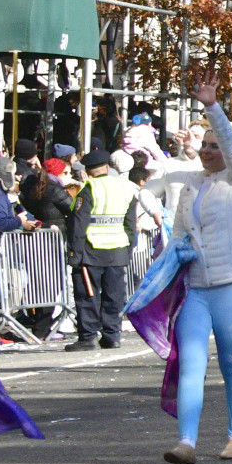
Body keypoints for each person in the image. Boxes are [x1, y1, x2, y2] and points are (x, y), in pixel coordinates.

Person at [137, 74, 232, 464]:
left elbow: (230, 145)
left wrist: (212, 107)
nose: (208, 151)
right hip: (195, 290)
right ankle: (186, 442)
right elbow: (178, 234)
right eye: (203, 146)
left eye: (214, 146)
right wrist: (166, 266)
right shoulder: (191, 185)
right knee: (191, 362)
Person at [67, 147, 136, 350]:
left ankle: (88, 337)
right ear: (107, 167)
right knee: (114, 295)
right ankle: (112, 335)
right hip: (117, 251)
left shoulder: (88, 189)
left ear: (87, 171)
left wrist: (74, 254)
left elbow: (78, 224)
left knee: (87, 295)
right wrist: (128, 249)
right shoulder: (126, 188)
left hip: (90, 251)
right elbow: (130, 224)